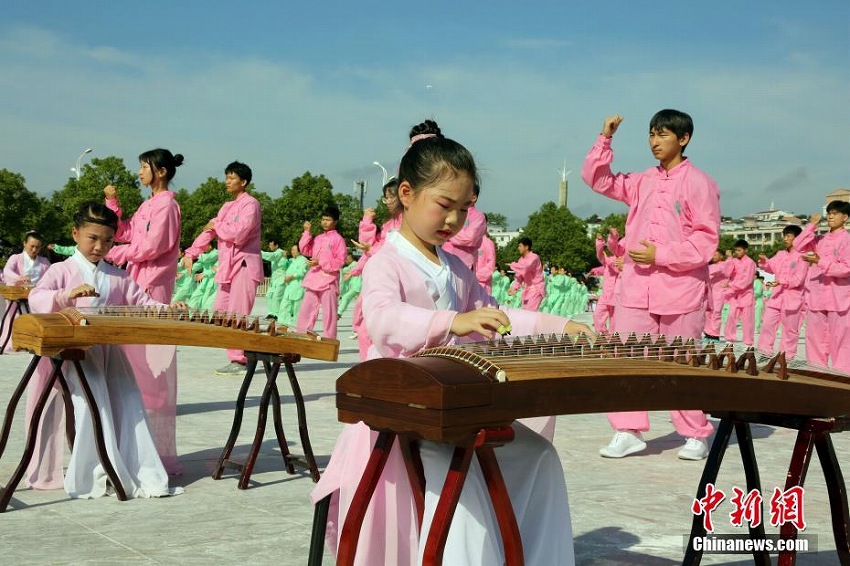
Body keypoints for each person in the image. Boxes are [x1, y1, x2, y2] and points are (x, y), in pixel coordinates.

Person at [311, 119, 586, 566]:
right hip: (405, 414)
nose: (455, 220)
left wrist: (560, 325)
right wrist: (453, 321)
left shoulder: (456, 268)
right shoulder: (387, 262)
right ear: (406, 194)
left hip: (451, 409)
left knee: (539, 457)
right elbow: (382, 319)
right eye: (444, 205)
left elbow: (496, 317)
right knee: (463, 483)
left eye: (465, 208)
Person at [582, 109, 719, 461]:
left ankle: (694, 432)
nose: (655, 141)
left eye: (663, 134)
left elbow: (705, 242)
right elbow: (597, 180)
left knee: (682, 361)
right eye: (651, 134)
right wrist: (605, 138)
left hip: (681, 288)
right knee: (626, 357)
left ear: (683, 138)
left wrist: (661, 254)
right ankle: (627, 430)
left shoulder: (699, 183)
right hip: (636, 287)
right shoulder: (642, 180)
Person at [25, 201, 183, 498]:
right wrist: (65, 294)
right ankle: (93, 471)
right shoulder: (62, 270)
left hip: (110, 354)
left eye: (108, 240)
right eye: (92, 238)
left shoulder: (117, 276)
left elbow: (143, 304)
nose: (100, 246)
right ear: (75, 234)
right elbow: (36, 298)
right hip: (74, 357)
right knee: (90, 404)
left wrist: (168, 309)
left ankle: (126, 466)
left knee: (129, 400)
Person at [104, 148, 184, 474]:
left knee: (154, 373)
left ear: (160, 171)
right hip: (137, 286)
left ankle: (156, 456)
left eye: (143, 167)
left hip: (153, 288)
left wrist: (117, 252)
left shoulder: (168, 205)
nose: (139, 172)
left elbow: (152, 247)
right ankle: (135, 449)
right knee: (135, 369)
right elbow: (126, 232)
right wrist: (112, 205)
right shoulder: (148, 204)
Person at [183, 161, 263, 377]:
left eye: (232, 178)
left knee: (238, 314)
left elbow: (239, 233)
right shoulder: (226, 207)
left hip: (244, 265)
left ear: (243, 182)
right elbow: (209, 231)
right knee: (220, 312)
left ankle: (240, 359)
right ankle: (242, 353)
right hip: (227, 267)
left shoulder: (251, 204)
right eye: (226, 177)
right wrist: (191, 253)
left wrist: (217, 226)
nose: (227, 181)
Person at [795, 201, 850, 372]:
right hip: (817, 295)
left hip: (838, 297)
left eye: (835, 213)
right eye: (829, 212)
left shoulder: (847, 240)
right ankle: (817, 371)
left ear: (845, 217)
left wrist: (820, 261)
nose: (831, 216)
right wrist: (811, 225)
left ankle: (842, 374)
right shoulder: (820, 239)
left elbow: (847, 269)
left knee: (841, 338)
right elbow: (797, 245)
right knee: (814, 337)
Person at [757, 225, 808, 362]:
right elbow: (770, 267)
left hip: (793, 298)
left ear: (797, 238)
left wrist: (782, 281)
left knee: (790, 329)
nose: (785, 238)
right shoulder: (780, 254)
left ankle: (787, 356)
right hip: (776, 297)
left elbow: (798, 280)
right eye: (784, 235)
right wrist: (764, 261)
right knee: (767, 324)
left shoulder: (802, 256)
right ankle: (765, 352)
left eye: (789, 236)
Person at [296, 205, 346, 339]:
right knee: (306, 309)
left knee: (329, 313)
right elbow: (305, 250)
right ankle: (301, 335)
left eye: (328, 219)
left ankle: (329, 340)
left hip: (329, 280)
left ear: (335, 221)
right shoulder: (318, 238)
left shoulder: (338, 240)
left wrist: (321, 263)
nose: (324, 222)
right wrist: (306, 232)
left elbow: (340, 262)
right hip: (314, 278)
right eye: (323, 219)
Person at [441, 182, 487, 270]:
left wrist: (449, 234)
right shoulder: (452, 212)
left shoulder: (478, 216)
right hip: (444, 258)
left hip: (464, 263)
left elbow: (470, 239)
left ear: (473, 197)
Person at [722, 239, 757, 346]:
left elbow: (747, 281)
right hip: (735, 295)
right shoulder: (734, 261)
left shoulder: (750, 263)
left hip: (746, 295)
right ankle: (729, 338)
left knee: (747, 320)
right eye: (736, 250)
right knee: (731, 316)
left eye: (739, 250)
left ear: (745, 250)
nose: (737, 252)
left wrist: (731, 285)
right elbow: (726, 273)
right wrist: (729, 259)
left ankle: (748, 342)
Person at [508, 237, 545, 311]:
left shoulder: (534, 257)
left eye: (520, 246)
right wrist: (514, 288)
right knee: (524, 310)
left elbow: (525, 267)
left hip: (536, 289)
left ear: (527, 247)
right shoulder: (521, 260)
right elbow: (519, 276)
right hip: (527, 290)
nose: (518, 248)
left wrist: (513, 265)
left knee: (530, 311)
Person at [279, 244, 308, 326]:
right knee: (284, 307)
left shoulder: (303, 260)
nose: (292, 252)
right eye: (291, 250)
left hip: (297, 288)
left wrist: (291, 276)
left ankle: (298, 328)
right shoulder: (292, 260)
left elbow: (302, 272)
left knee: (297, 310)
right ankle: (283, 325)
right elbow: (284, 266)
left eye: (294, 250)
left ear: (299, 251)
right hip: (289, 288)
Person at [261, 238, 288, 319]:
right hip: (274, 280)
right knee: (269, 295)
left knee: (277, 297)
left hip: (281, 280)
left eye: (271, 245)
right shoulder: (276, 253)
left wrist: (259, 252)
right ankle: (271, 313)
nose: (270, 246)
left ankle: (276, 314)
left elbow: (270, 256)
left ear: (276, 245)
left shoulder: (279, 252)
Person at [474, 230, 497, 294]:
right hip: (469, 283)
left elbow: (491, 265)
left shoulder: (488, 243)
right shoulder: (470, 241)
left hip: (482, 285)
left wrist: (476, 275)